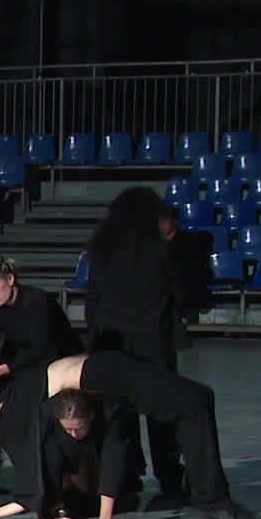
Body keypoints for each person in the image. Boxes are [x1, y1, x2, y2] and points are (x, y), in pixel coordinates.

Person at [0, 351, 256, 519]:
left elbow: (30, 490)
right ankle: (211, 497)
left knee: (194, 401)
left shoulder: (4, 413)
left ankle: (207, 494)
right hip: (103, 373)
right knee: (194, 401)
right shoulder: (6, 412)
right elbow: (32, 488)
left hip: (103, 370)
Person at [84, 186, 184, 502]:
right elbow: (180, 296)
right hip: (154, 342)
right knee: (163, 413)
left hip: (113, 343)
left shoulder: (101, 251)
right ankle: (170, 477)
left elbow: (92, 302)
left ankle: (126, 476)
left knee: (117, 415)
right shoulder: (161, 251)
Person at [0, 390, 107, 519]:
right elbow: (33, 490)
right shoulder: (11, 431)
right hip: (72, 441)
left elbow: (32, 493)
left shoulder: (3, 411)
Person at [0, 256, 81, 403]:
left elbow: (41, 348)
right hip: (25, 352)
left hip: (58, 353)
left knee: (29, 381)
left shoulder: (38, 301)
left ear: (10, 279)